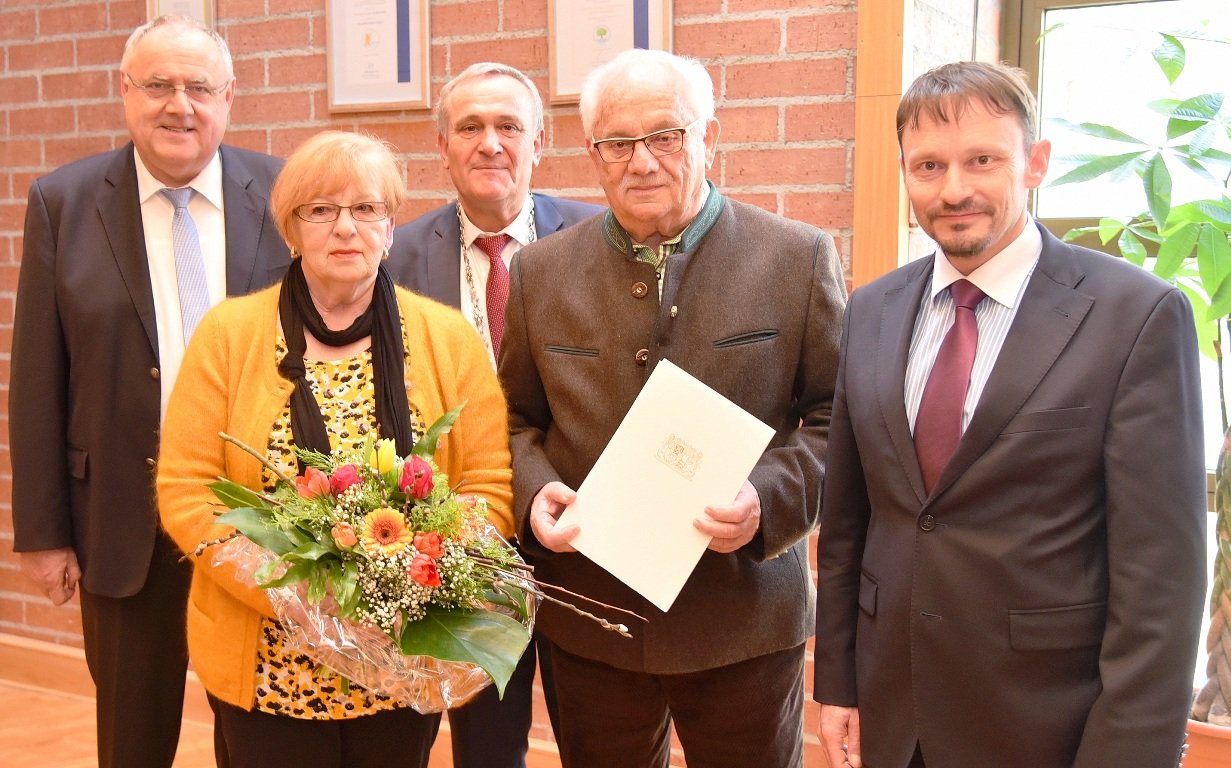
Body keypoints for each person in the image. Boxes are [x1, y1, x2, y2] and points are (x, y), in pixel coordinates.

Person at [813, 61, 1207, 768]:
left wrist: (1129, 752)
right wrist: (837, 682)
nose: (953, 189)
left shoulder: (1135, 316)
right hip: (895, 714)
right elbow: (848, 525)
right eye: (927, 166)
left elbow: (1161, 578)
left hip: (1048, 725)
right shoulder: (871, 309)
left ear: (1035, 164)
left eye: (982, 160)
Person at [499, 48, 847, 768]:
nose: (642, 162)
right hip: (593, 619)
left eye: (665, 136)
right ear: (592, 154)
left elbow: (836, 417)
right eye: (617, 143)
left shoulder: (796, 257)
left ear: (707, 136)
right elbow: (512, 421)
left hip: (743, 618)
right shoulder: (538, 272)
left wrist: (766, 501)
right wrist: (533, 495)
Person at [155, 129, 514, 767]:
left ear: (391, 225)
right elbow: (186, 490)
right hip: (267, 662)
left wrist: (415, 574)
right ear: (291, 230)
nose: (345, 228)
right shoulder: (228, 336)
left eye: (366, 209)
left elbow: (488, 485)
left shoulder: (447, 339)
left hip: (400, 655)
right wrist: (294, 591)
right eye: (321, 211)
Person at [9, 15, 290, 768]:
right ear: (124, 92)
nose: (180, 105)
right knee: (132, 738)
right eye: (158, 85)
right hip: (121, 520)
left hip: (260, 522)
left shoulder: (284, 192)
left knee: (261, 733)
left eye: (199, 86)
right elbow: (37, 375)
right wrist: (41, 533)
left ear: (229, 96)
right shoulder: (63, 202)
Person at [387, 61, 602, 766]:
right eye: (470, 127)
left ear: (539, 143)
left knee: (601, 738)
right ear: (441, 145)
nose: (490, 144)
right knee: (485, 746)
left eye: (508, 126)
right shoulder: (394, 258)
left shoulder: (600, 240)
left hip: (579, 534)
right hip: (453, 546)